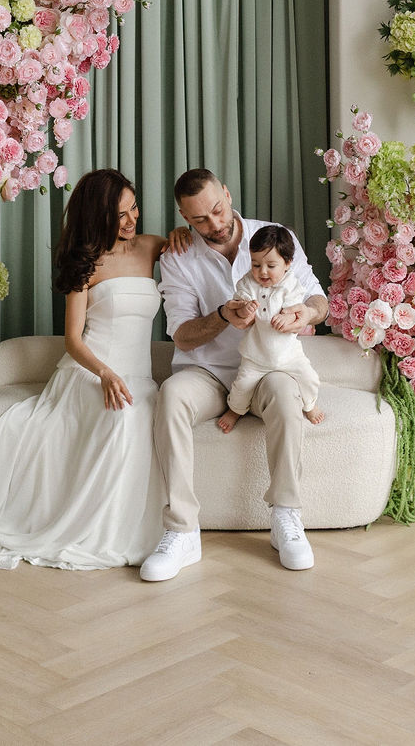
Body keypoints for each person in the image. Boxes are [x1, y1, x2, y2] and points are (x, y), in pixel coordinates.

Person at [0, 170, 164, 571]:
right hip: (91, 370)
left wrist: (183, 235)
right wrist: (104, 373)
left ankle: (126, 528)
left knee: (142, 412)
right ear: (98, 216)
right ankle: (88, 530)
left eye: (133, 208)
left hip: (138, 375)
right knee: (121, 416)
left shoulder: (152, 247)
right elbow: (73, 340)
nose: (131, 219)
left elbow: (196, 257)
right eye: (119, 214)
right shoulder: (85, 264)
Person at [140, 169, 328, 582]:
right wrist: (223, 315)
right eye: (200, 219)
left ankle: (286, 516)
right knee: (171, 394)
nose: (215, 224)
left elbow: (318, 297)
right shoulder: (177, 257)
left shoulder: (275, 236)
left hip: (266, 370)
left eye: (218, 210)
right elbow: (182, 335)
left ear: (226, 194)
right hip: (206, 372)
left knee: (285, 391)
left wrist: (306, 313)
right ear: (184, 218)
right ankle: (182, 531)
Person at [217, 225, 325, 434]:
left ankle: (310, 405)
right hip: (256, 356)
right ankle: (235, 410)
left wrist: (287, 317)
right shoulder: (247, 283)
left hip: (289, 355)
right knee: (242, 386)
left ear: (287, 263)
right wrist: (245, 309)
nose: (262, 271)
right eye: (256, 264)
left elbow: (295, 310)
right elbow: (239, 309)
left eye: (271, 265)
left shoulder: (291, 284)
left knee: (310, 379)